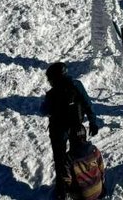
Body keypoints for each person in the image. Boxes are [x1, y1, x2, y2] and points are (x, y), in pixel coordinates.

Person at [42, 62, 100, 192]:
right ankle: (80, 183)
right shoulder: (76, 85)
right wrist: (93, 122)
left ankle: (62, 189)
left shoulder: (52, 93)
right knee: (78, 156)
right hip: (77, 128)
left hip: (58, 129)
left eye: (50, 79)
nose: (49, 82)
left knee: (60, 159)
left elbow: (43, 110)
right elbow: (87, 103)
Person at [65, 128, 105, 199]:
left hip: (84, 196)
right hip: (99, 190)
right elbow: (101, 169)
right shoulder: (94, 149)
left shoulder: (69, 158)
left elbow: (67, 180)